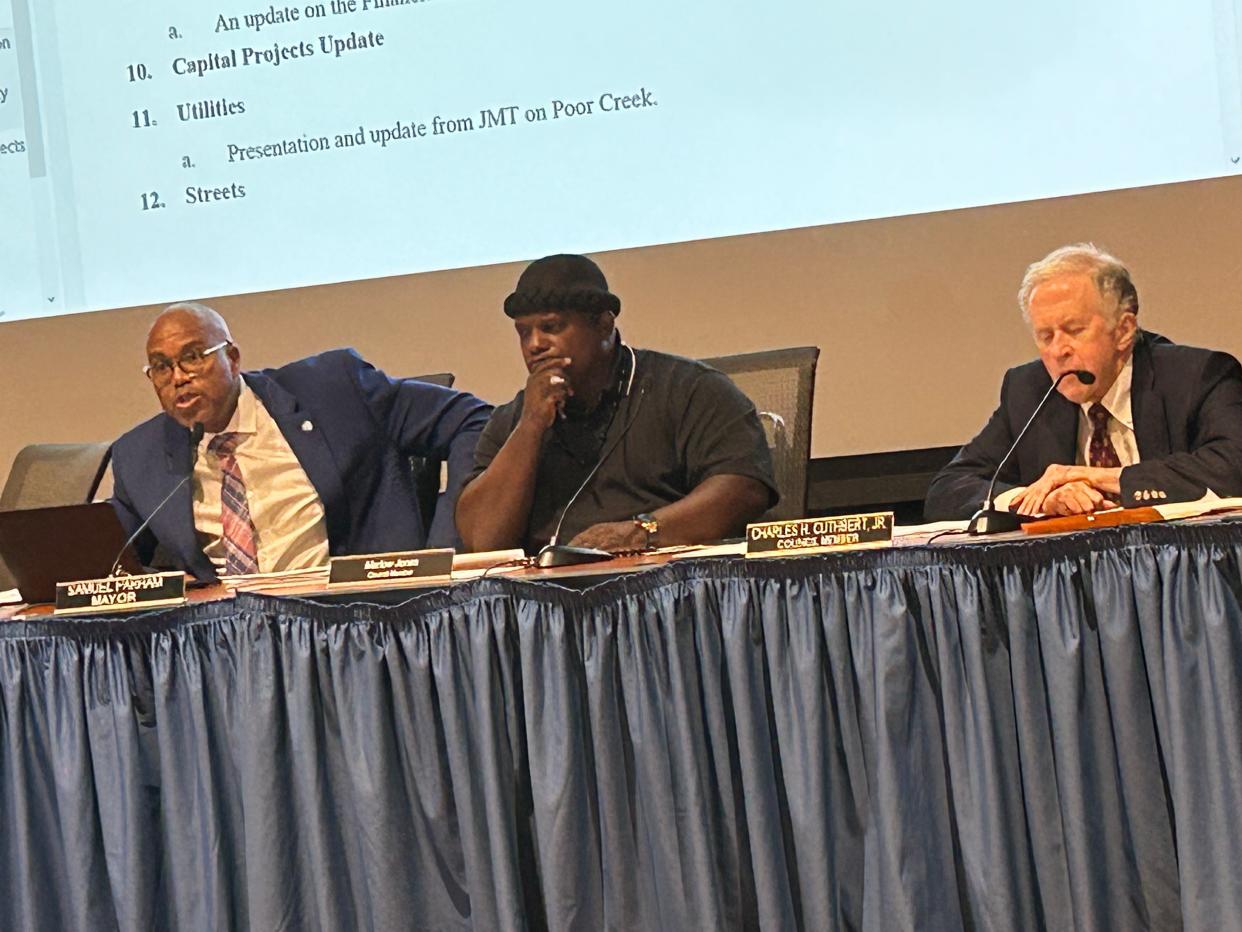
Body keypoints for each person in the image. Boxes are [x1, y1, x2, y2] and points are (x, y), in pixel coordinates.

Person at [110, 302, 492, 580]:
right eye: (161, 366)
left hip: (354, 621)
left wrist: (448, 547)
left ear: (233, 357)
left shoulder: (333, 389)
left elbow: (472, 420)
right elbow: (109, 567)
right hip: (227, 646)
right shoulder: (139, 456)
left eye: (193, 357)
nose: (178, 377)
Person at [456, 254, 776, 554]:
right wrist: (531, 426)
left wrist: (642, 532)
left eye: (551, 327)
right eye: (524, 333)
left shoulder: (688, 388)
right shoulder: (514, 420)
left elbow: (743, 488)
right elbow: (483, 542)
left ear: (604, 325)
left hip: (660, 584)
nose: (535, 344)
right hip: (544, 598)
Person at [924, 243, 1242, 520]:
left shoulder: (1196, 376)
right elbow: (948, 489)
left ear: (1124, 330)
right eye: (1045, 336)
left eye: (1074, 330)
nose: (1058, 350)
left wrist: (1099, 478)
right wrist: (1036, 501)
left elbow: (1232, 468)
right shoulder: (1029, 391)